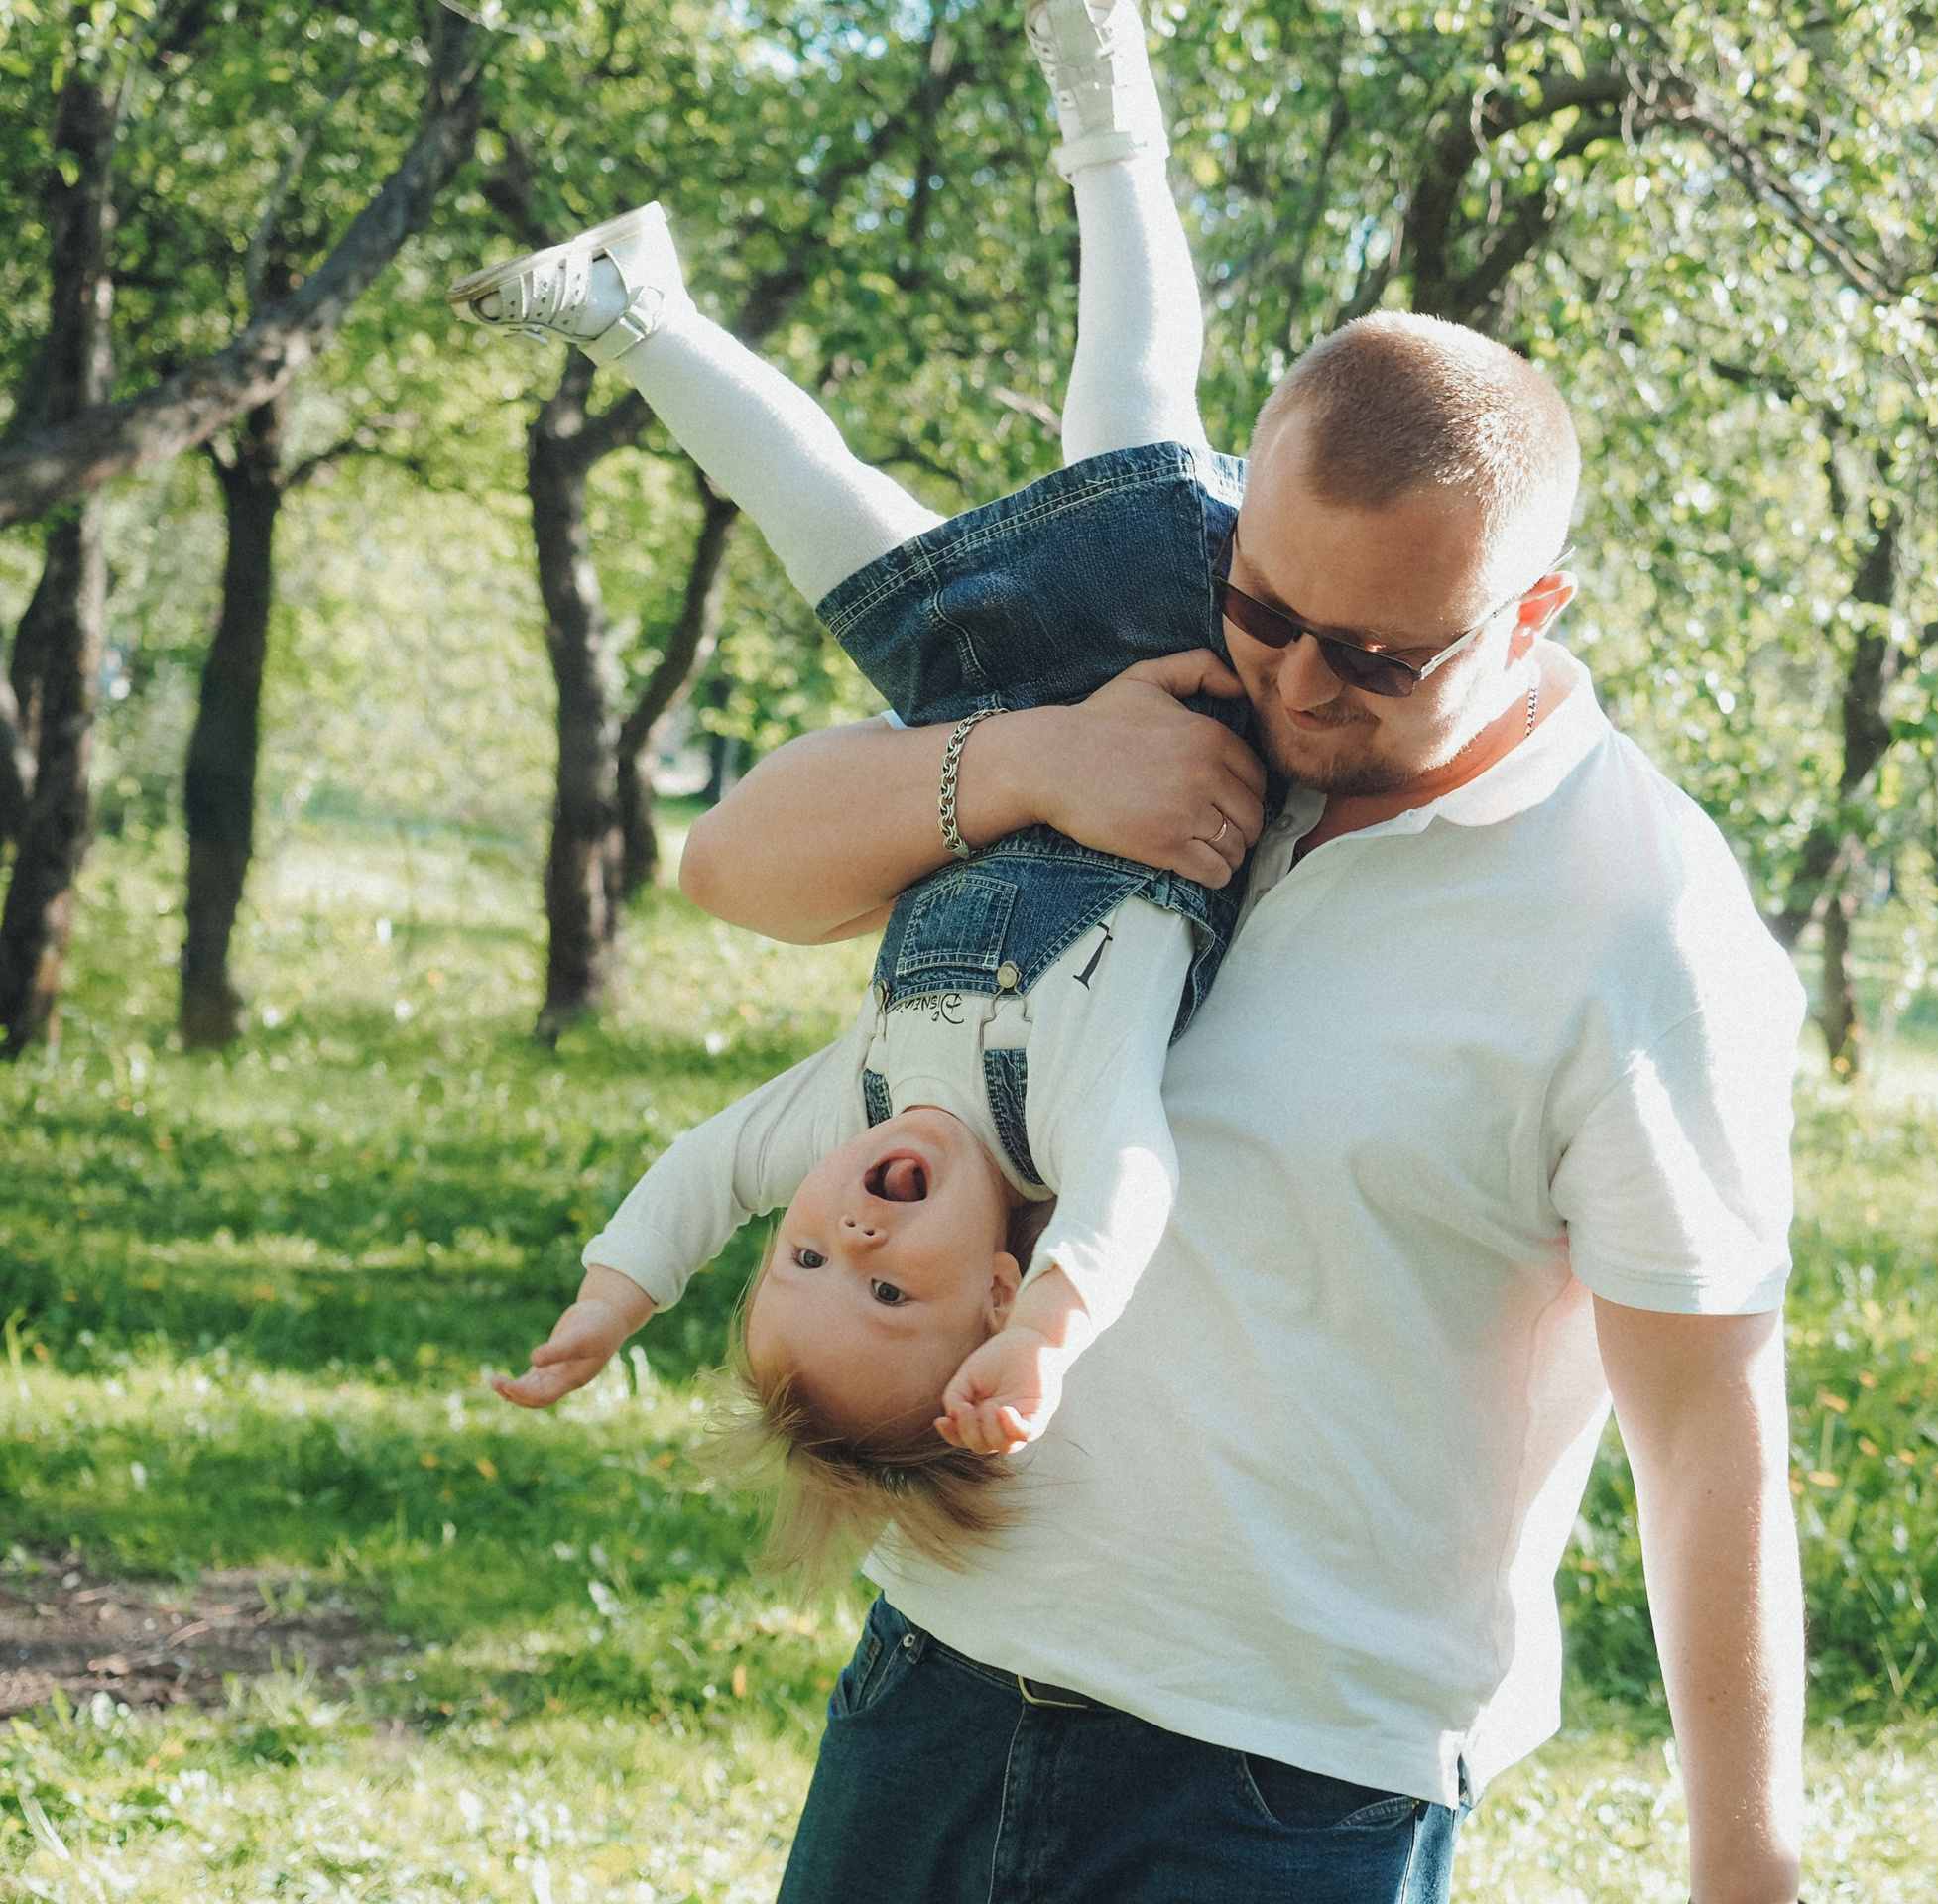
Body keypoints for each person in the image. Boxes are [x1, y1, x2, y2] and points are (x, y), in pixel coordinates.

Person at [677, 183, 1813, 1904]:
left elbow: (1710, 1428)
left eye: (1379, 656)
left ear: (1534, 612)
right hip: (937, 1688)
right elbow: (736, 867)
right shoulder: (1162, 694)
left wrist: (1749, 1870)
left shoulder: (1642, 925)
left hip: (1287, 1792)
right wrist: (1037, 762)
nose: (1298, 686)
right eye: (1266, 608)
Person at [470, 0, 1278, 1512]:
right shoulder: (1067, 1118)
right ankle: (1113, 101)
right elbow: (1132, 1188)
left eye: (801, 1258)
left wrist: (615, 1294)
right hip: (1173, 693)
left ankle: (637, 310)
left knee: (828, 530)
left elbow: (708, 1169)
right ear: (994, 1286)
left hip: (1009, 722)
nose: (851, 1234)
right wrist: (1054, 1334)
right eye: (891, 1291)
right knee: (1127, 408)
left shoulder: (854, 1101)